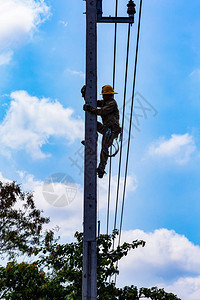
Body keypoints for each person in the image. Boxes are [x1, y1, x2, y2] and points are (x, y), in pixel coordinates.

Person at [82, 85, 121, 178]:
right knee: (92, 124)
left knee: (104, 148)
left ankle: (101, 168)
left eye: (104, 95)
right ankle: (90, 140)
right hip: (107, 128)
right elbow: (93, 103)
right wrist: (85, 95)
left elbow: (102, 112)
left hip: (112, 130)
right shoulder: (105, 102)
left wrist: (89, 109)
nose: (103, 97)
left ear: (109, 95)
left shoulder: (112, 103)